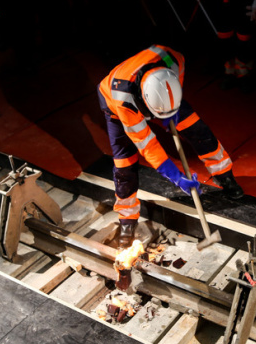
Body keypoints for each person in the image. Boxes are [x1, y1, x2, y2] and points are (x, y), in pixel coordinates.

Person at [97, 44, 244, 247]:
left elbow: (176, 84)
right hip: (113, 102)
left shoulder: (173, 60)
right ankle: (127, 219)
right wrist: (177, 178)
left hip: (162, 95)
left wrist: (170, 111)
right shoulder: (124, 101)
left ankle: (225, 175)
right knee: (124, 164)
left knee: (198, 131)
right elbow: (148, 146)